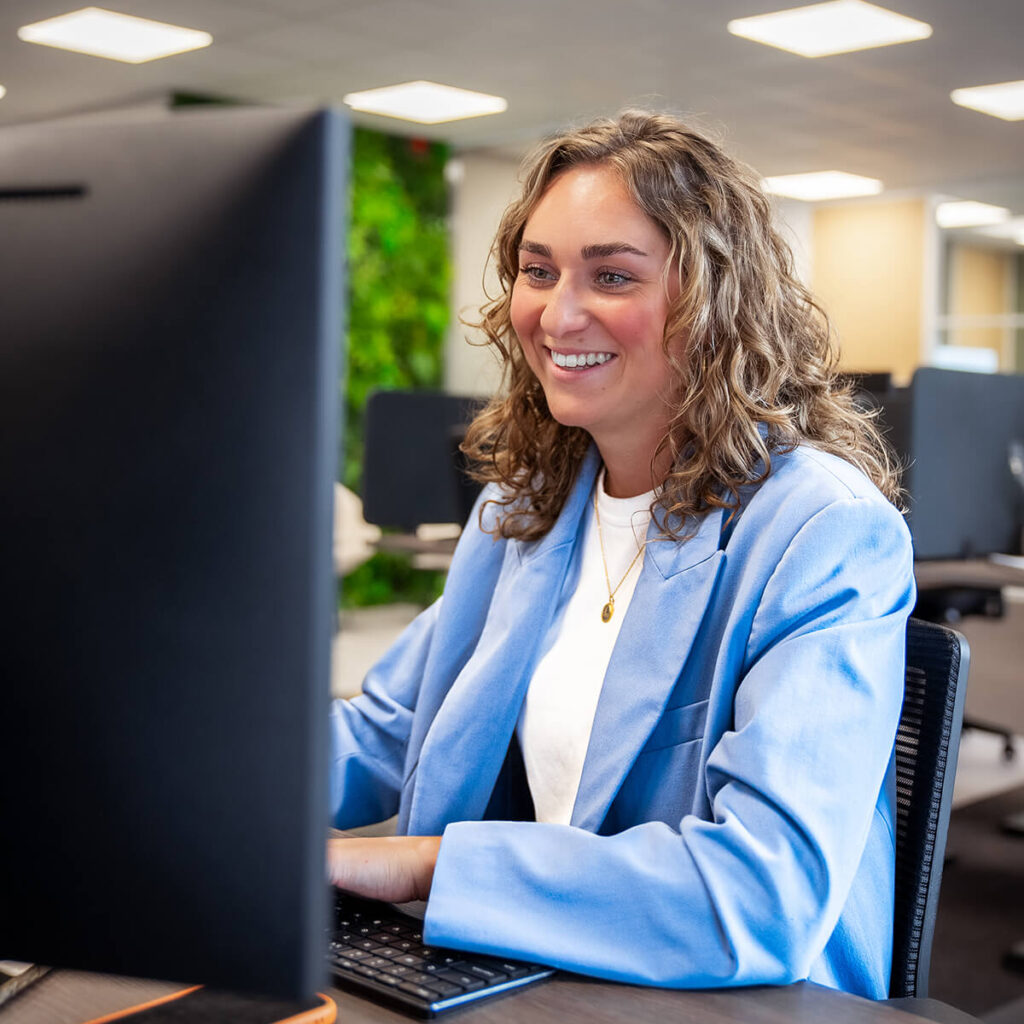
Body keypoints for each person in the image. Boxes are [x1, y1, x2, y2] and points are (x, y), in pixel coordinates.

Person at [327, 110, 914, 1000]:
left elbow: (761, 895)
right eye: (538, 271)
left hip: (730, 1000)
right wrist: (190, 786)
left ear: (715, 300)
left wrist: (427, 866)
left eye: (611, 275)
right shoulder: (522, 512)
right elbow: (385, 732)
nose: (557, 314)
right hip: (545, 972)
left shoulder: (822, 532)